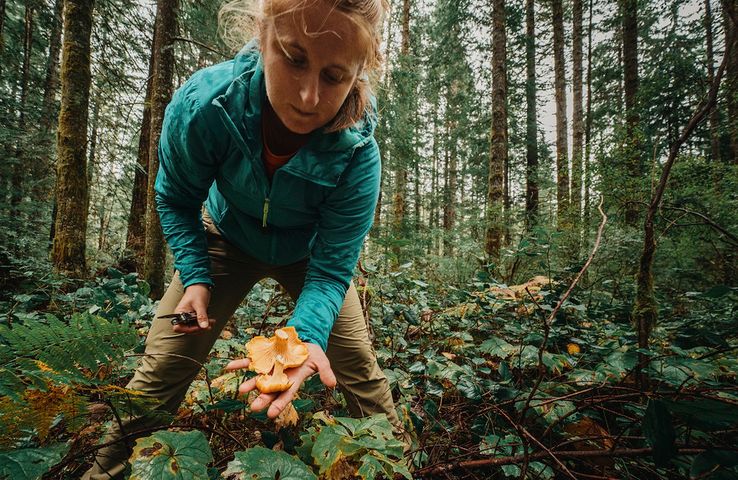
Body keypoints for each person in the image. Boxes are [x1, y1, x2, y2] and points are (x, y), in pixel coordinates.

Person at [83, 0, 398, 478]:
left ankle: (397, 465)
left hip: (310, 258)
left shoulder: (358, 152)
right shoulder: (205, 106)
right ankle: (102, 472)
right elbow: (175, 196)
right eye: (294, 58)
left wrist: (305, 335)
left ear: (359, 72)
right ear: (262, 32)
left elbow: (333, 269)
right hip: (225, 237)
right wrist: (195, 276)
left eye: (334, 76)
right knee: (163, 366)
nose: (309, 96)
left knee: (356, 367)